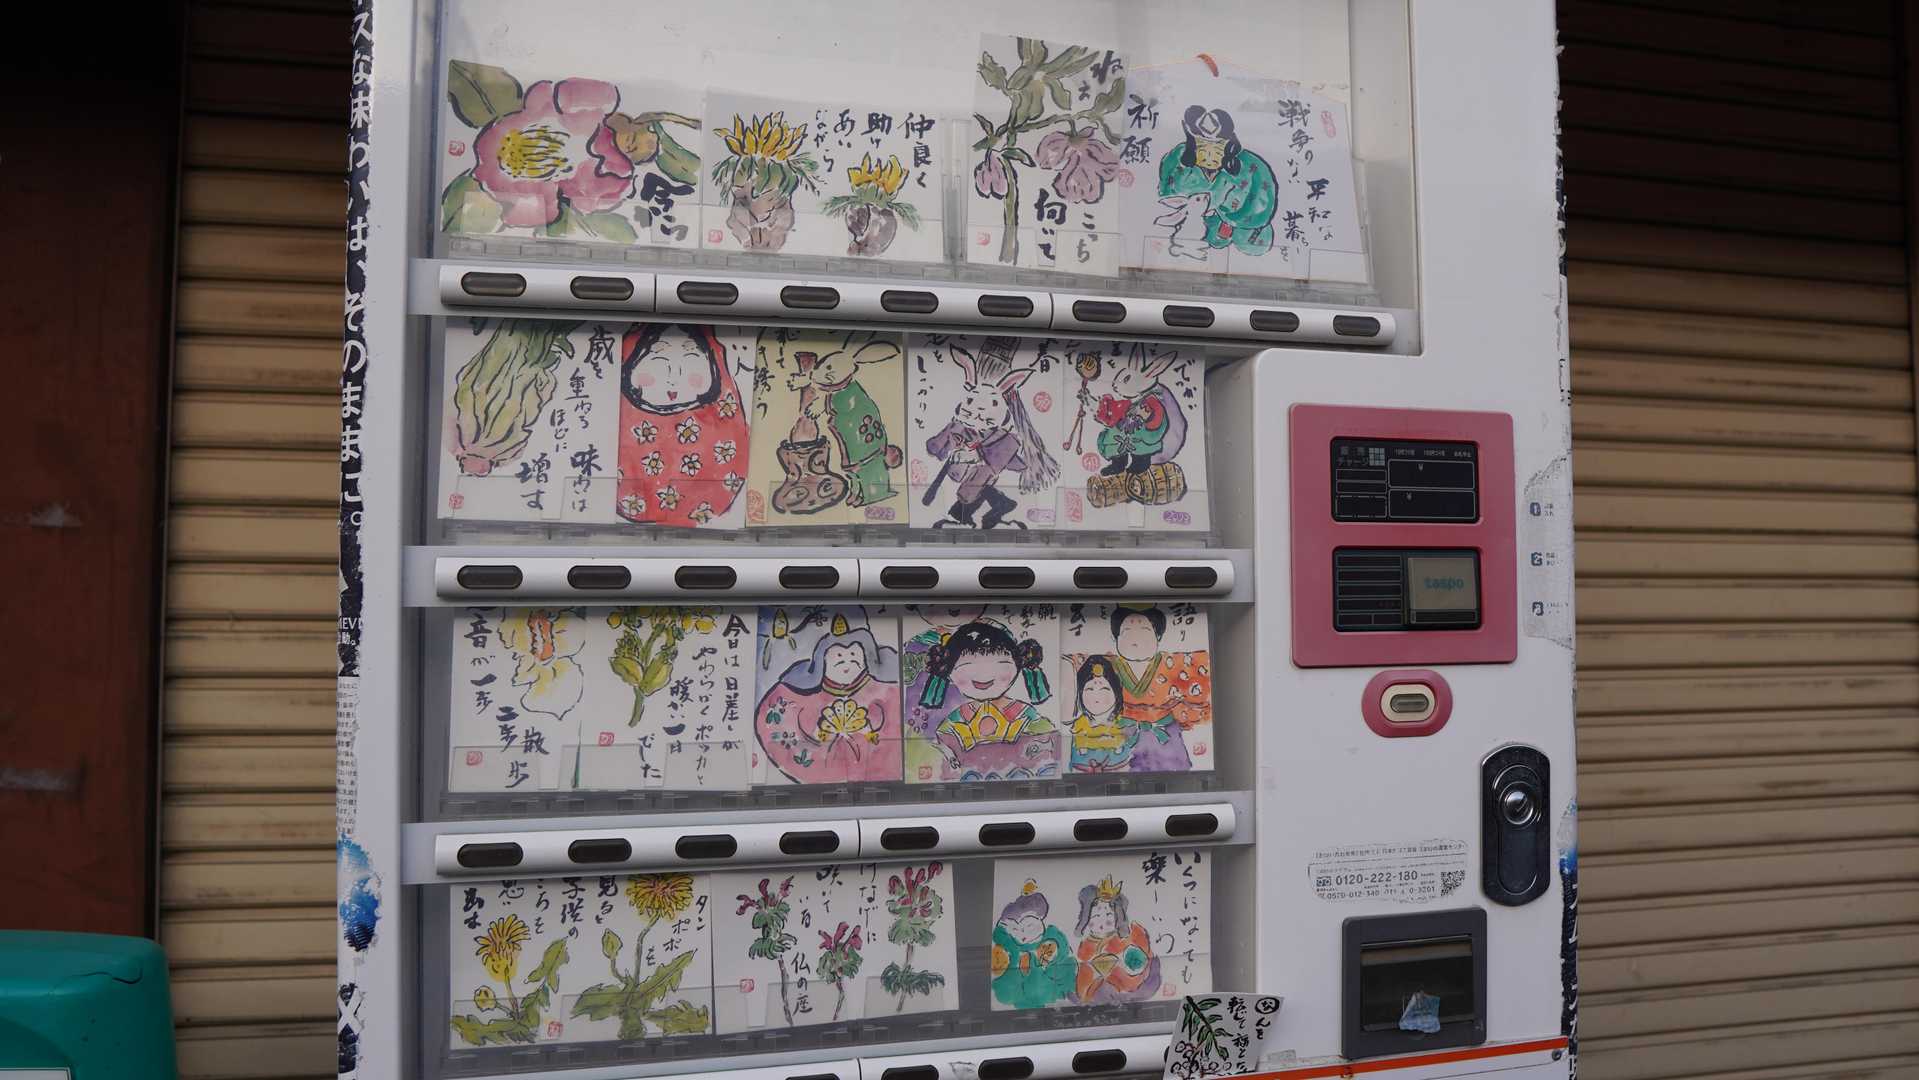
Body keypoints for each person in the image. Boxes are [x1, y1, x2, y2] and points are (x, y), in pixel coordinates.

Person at [616, 324, 750, 527]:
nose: (673, 378)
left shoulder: (719, 428)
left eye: (691, 360)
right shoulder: (623, 423)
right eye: (660, 362)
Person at [755, 613, 901, 784]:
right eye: (838, 656)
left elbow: (898, 726)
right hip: (819, 769)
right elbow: (774, 726)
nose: (847, 661)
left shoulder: (886, 691)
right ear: (822, 660)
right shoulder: (796, 694)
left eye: (853, 654)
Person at [916, 621, 1057, 781]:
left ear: (1017, 666)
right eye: (968, 667)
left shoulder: (1023, 713)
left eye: (1000, 665)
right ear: (949, 671)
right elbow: (944, 749)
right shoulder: (958, 718)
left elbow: (1047, 739)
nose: (984, 675)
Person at [1156, 106, 1279, 257]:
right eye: (1202, 148)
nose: (1210, 157)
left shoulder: (1250, 166)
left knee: (1253, 246)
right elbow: (1165, 194)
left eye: (1218, 149)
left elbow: (1261, 206)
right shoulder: (1176, 159)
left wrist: (1226, 219)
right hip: (1186, 230)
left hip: (1238, 236)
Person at [991, 880, 1078, 1009]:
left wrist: (1053, 949)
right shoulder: (1010, 947)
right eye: (1015, 929)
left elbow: (1062, 948)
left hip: (1048, 988)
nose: (1023, 934)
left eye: (1029, 926)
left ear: (1039, 919)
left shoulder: (1049, 937)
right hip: (1023, 995)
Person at [1073, 876, 1161, 1003]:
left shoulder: (1127, 938)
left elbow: (1141, 961)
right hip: (1100, 995)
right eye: (1096, 916)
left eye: (1109, 915)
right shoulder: (1085, 947)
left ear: (1118, 917)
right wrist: (1097, 976)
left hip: (1130, 987)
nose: (1102, 921)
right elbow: (1083, 983)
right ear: (1086, 919)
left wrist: (1127, 967)